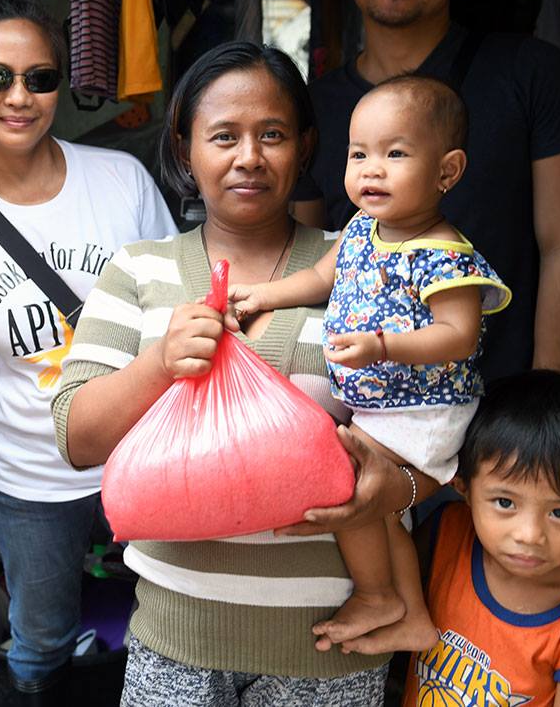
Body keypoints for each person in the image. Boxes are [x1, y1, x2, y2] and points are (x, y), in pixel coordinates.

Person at [53, 41, 442, 705]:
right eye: (224, 136)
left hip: (332, 647)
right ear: (185, 149)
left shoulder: (373, 265)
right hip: (176, 642)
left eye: (273, 135)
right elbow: (76, 438)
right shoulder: (138, 269)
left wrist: (398, 488)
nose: (249, 157)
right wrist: (160, 363)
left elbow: (435, 425)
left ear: (306, 146)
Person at [0, 0, 176, 703]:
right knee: (41, 639)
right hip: (28, 478)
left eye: (39, 78)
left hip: (139, 457)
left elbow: (174, 303)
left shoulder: (120, 180)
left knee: (169, 621)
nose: (19, 96)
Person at [294, 0, 560, 381]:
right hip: (364, 407)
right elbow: (306, 260)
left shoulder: (530, 74)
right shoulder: (312, 107)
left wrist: (543, 397)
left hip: (502, 404)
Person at [229, 74, 509, 655]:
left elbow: (458, 336)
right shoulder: (362, 229)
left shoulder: (443, 254)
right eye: (359, 154)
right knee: (380, 512)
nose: (371, 170)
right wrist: (261, 294)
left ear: (447, 171)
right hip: (386, 408)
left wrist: (382, 346)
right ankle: (411, 615)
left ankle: (379, 594)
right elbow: (319, 278)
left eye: (395, 154)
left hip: (426, 408)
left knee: (348, 481)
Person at [406, 370, 560, 707]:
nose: (529, 535)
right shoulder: (447, 534)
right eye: (505, 503)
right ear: (462, 486)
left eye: (559, 512)